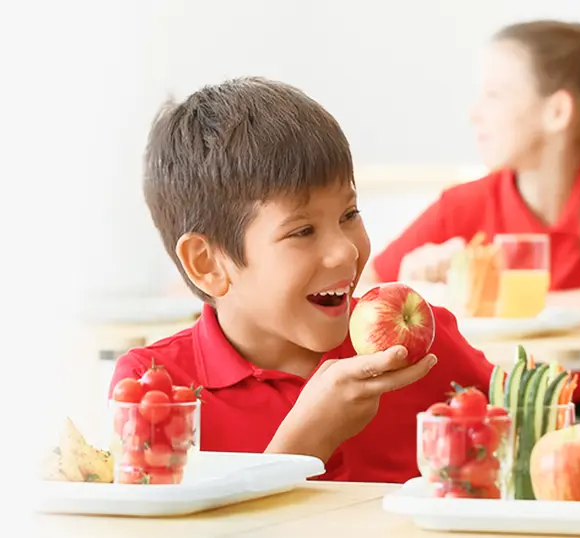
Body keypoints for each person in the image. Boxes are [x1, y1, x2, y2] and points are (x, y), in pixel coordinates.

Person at [109, 77, 494, 484]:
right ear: (208, 263)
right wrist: (306, 442)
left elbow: (531, 440)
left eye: (350, 215)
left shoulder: (422, 349)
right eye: (302, 231)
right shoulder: (154, 391)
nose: (345, 251)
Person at [364, 21, 580, 460]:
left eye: (495, 94)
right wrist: (415, 285)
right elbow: (365, 292)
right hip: (477, 436)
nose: (475, 113)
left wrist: (528, 309)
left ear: (557, 113)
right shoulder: (464, 206)